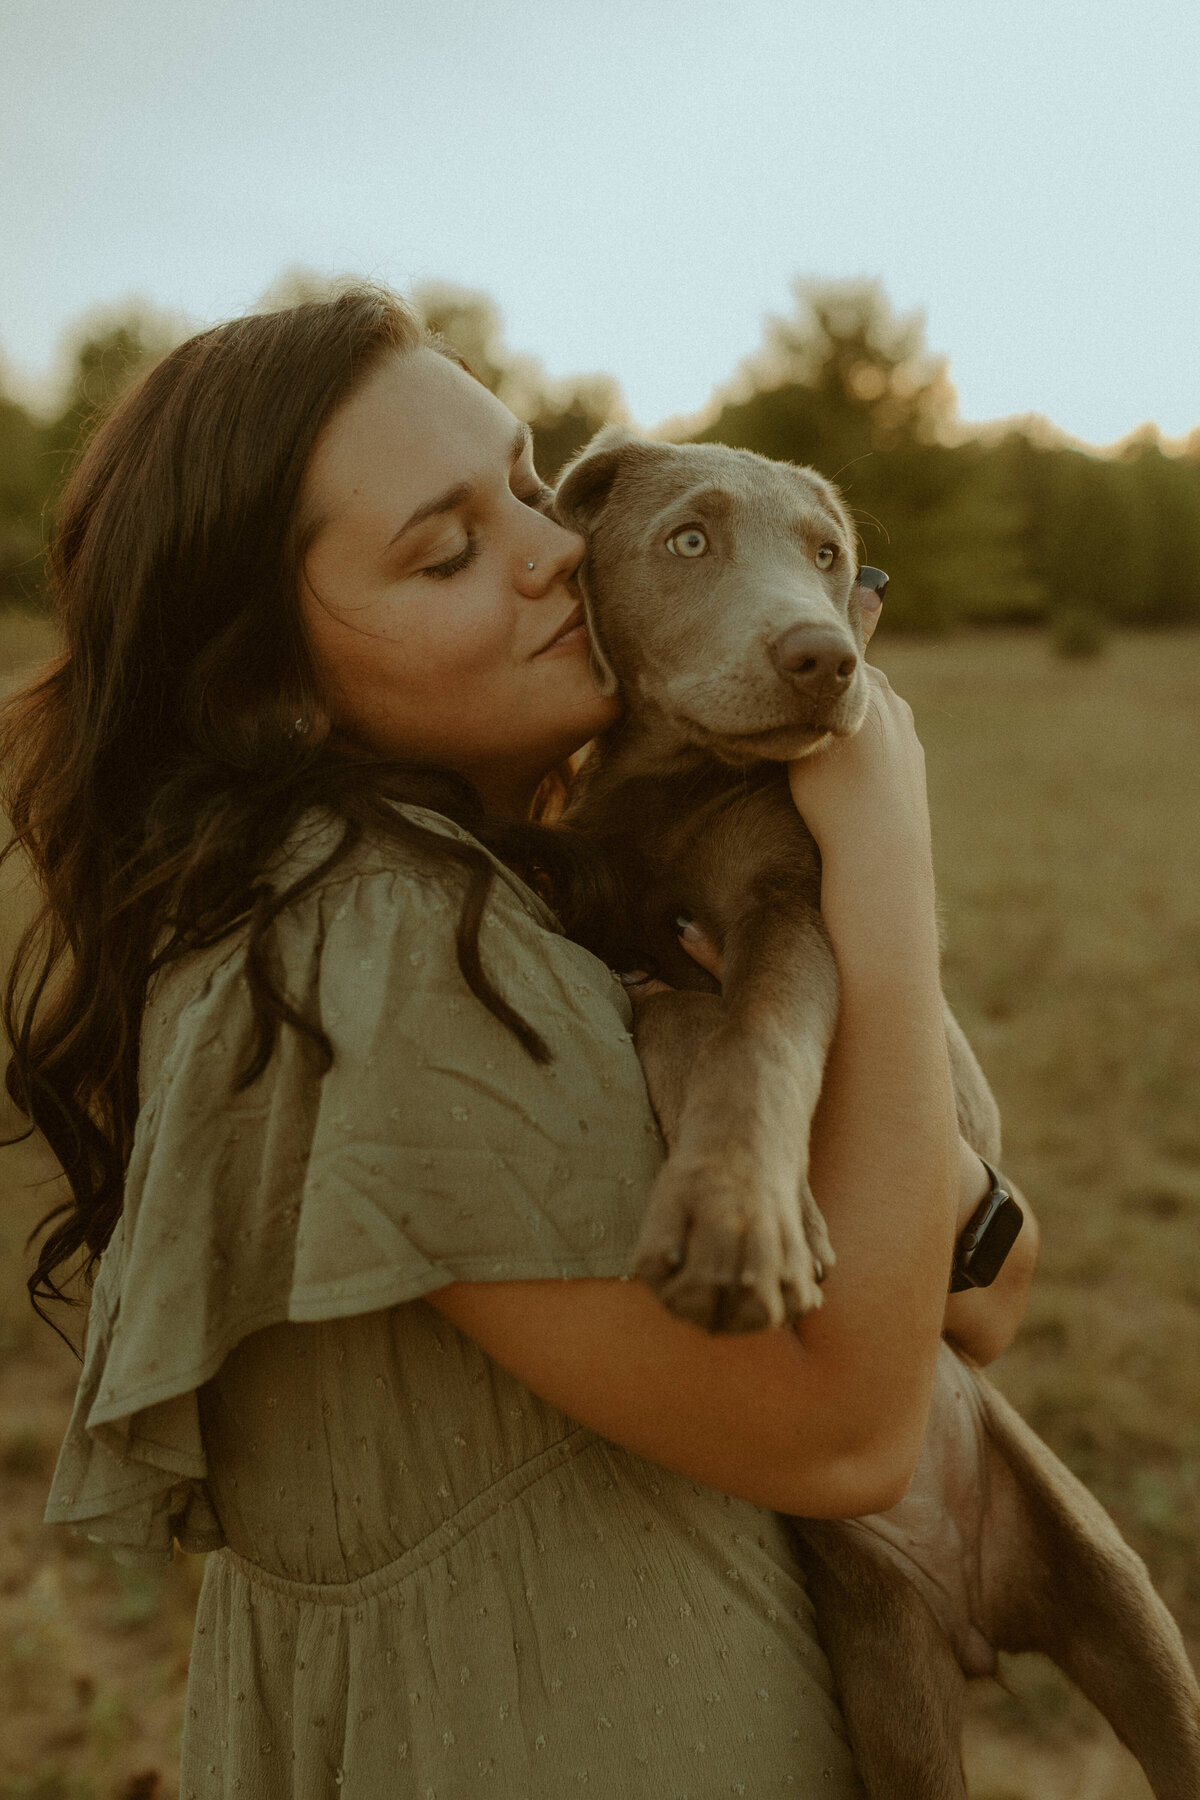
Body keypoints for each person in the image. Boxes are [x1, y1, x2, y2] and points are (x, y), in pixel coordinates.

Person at [4, 285, 1038, 1798]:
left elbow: (993, 1286)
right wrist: (883, 871)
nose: (560, 551)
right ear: (264, 688)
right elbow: (848, 1431)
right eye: (448, 550)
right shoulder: (376, 953)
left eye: (529, 483)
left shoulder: (519, 884)